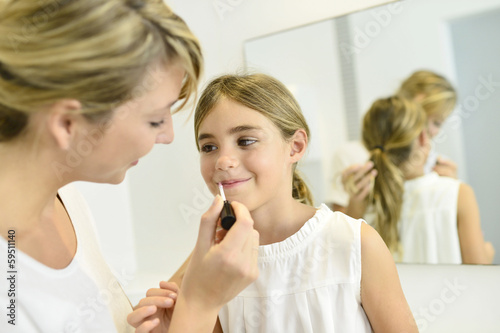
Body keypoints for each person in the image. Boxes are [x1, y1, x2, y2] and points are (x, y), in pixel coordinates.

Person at [0, 1, 258, 332]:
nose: (167, 135)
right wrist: (200, 305)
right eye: (154, 120)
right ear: (66, 123)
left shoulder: (65, 200)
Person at [136, 73, 417, 332]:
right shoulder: (212, 261)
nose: (223, 160)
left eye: (245, 141)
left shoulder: (355, 243)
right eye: (209, 147)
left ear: (295, 146)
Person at [361, 95, 494, 264]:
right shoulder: (459, 194)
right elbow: (480, 275)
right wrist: (487, 252)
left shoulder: (366, 205)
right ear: (423, 137)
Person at [327, 70, 458, 216]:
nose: (423, 129)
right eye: (418, 115)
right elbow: (340, 234)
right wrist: (356, 201)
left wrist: (451, 191)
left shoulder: (439, 170)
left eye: (437, 122)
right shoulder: (351, 157)